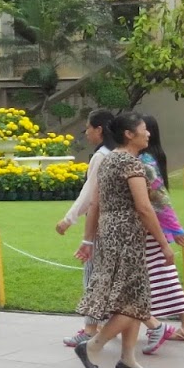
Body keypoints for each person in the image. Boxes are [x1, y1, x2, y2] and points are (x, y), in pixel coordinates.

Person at [74, 112, 170, 368]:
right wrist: (164, 244)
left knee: (133, 297)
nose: (148, 133)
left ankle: (128, 359)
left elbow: (95, 204)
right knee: (133, 302)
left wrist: (89, 239)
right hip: (128, 236)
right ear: (129, 134)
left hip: (110, 233)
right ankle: (93, 346)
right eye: (143, 129)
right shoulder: (130, 163)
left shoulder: (108, 160)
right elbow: (144, 207)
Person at [138, 115, 184, 350]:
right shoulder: (153, 157)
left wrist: (175, 228)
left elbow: (159, 198)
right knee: (164, 275)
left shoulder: (145, 161)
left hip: (149, 229)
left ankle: (176, 325)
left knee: (154, 276)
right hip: (155, 228)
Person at [55, 109, 116, 348]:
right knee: (112, 276)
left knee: (93, 275)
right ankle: (109, 325)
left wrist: (68, 219)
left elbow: (90, 194)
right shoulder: (121, 153)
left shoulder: (101, 156)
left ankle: (91, 328)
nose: (87, 133)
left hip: (100, 224)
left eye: (89, 128)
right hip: (118, 224)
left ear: (99, 129)